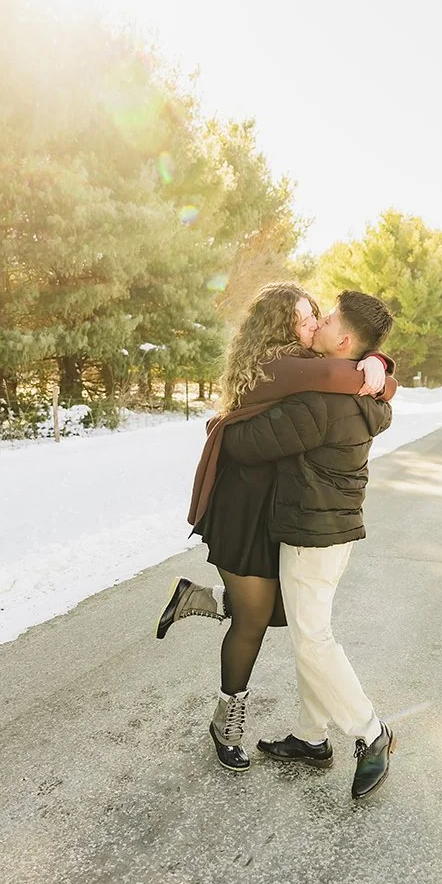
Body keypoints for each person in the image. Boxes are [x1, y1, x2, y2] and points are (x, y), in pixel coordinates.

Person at [155, 282, 397, 775]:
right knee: (252, 621)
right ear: (280, 325)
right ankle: (228, 719)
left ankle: (198, 599)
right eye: (306, 318)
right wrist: (375, 371)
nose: (314, 325)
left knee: (276, 610)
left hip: (281, 508)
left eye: (318, 317)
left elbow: (348, 371)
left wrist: (381, 367)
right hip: (244, 508)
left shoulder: (306, 367)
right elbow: (338, 372)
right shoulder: (279, 365)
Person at [221, 291, 396, 800]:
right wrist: (380, 365)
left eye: (328, 318)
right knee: (306, 633)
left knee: (313, 639)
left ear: (343, 340)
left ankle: (370, 732)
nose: (318, 321)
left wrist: (221, 422)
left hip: (310, 534)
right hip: (332, 530)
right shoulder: (359, 388)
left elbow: (245, 444)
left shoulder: (322, 400)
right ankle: (311, 736)